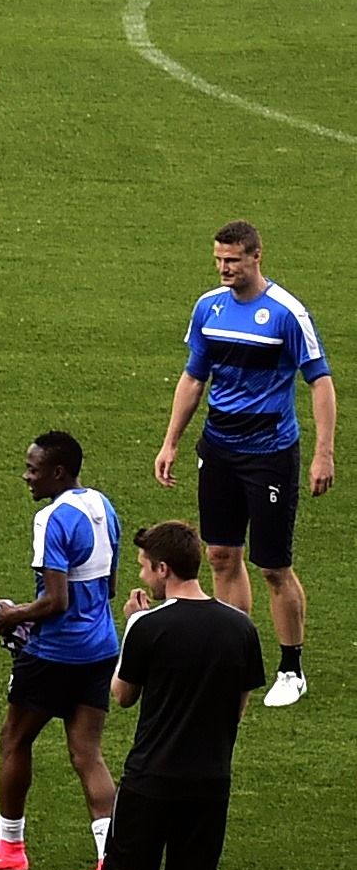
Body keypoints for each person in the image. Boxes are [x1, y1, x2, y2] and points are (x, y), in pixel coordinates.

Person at [90, 520, 265, 870]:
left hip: (150, 778)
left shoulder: (148, 627)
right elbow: (238, 709)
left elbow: (122, 695)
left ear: (163, 569)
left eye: (146, 566)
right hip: (209, 781)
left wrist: (133, 629)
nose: (144, 574)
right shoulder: (240, 628)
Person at [155, 221, 332, 710]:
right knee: (220, 556)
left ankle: (291, 668)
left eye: (231, 260)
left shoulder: (286, 314)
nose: (223, 269)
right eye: (218, 260)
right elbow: (194, 378)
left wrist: (323, 452)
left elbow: (320, 382)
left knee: (274, 565)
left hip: (271, 453)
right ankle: (236, 656)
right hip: (219, 449)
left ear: (256, 257)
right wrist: (171, 442)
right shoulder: (208, 308)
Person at [0, 431, 122, 870]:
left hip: (56, 653)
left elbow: (55, 600)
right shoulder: (103, 507)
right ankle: (109, 868)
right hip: (100, 647)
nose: (26, 477)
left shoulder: (50, 519)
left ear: (57, 472)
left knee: (14, 738)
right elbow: (105, 589)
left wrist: (11, 615)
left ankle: (10, 848)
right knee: (87, 754)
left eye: (33, 469)